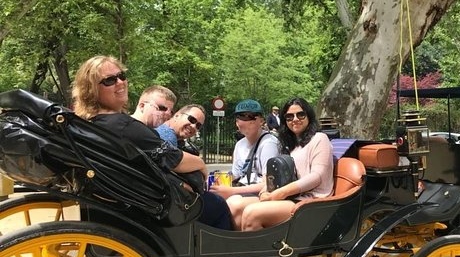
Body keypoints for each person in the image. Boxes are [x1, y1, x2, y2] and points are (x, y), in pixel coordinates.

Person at [71, 55, 231, 230]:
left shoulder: (93, 123)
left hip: (121, 203)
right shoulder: (123, 126)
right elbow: (173, 160)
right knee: (219, 206)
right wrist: (201, 164)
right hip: (148, 209)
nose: (120, 82)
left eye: (121, 76)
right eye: (109, 80)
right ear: (91, 89)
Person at [226, 97, 334, 231]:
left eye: (300, 114)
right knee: (233, 205)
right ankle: (238, 248)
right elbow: (273, 175)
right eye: (289, 116)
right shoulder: (289, 144)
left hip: (309, 202)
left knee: (251, 213)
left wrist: (282, 192)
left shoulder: (319, 139)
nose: (295, 119)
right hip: (289, 197)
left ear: (309, 116)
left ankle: (255, 251)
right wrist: (265, 191)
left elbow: (317, 177)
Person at [210, 99, 279, 199]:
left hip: (262, 195)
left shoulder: (269, 144)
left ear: (261, 121)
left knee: (233, 203)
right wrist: (217, 181)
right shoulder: (239, 145)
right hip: (242, 190)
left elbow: (268, 184)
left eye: (250, 117)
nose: (245, 121)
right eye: (240, 117)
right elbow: (236, 175)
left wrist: (232, 191)